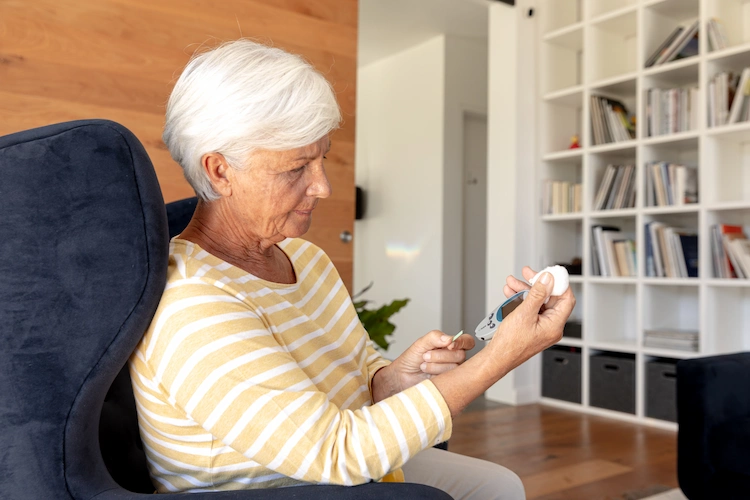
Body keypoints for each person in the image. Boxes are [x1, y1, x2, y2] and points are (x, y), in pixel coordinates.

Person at [129, 39, 575, 498]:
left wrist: (396, 377)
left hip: (341, 474)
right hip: (277, 488)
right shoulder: (192, 303)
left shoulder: (307, 260)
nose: (322, 186)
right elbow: (336, 450)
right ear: (220, 171)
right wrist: (503, 356)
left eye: (321, 157)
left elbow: (360, 375)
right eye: (296, 168)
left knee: (498, 484)